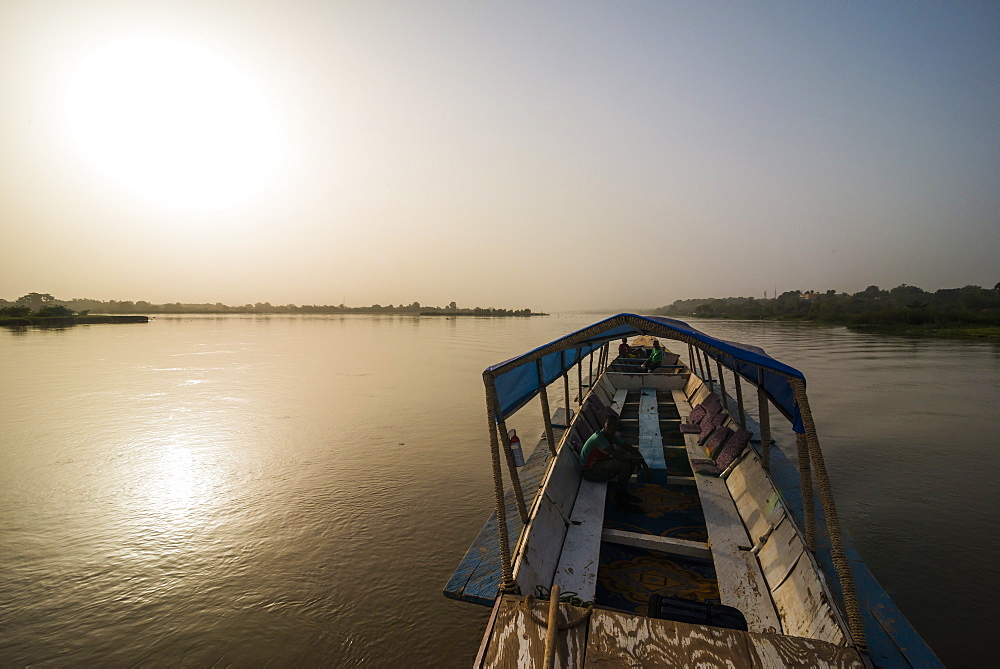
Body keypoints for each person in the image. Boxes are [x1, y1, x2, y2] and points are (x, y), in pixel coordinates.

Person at [578, 413, 649, 513]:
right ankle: (622, 502)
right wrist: (633, 458)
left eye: (614, 425)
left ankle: (621, 493)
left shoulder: (612, 436)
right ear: (604, 425)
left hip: (599, 466)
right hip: (589, 472)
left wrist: (645, 465)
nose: (612, 427)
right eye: (609, 425)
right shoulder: (599, 438)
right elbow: (618, 456)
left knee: (629, 458)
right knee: (624, 462)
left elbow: (631, 449)